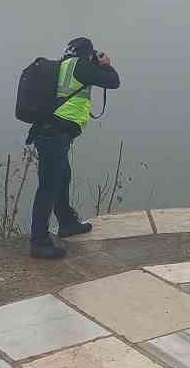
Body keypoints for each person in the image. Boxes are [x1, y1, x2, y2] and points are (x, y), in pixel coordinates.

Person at [27, 36, 120, 259]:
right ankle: (39, 241)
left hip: (51, 133)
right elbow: (113, 81)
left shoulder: (63, 66)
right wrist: (106, 64)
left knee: (62, 178)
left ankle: (67, 222)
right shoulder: (81, 67)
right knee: (48, 186)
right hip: (54, 135)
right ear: (87, 54)